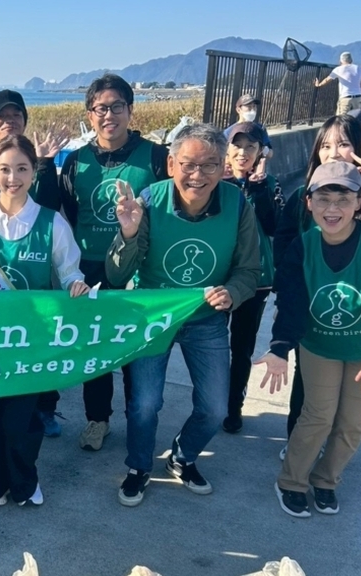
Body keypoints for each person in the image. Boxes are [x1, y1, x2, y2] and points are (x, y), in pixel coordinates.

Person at [107, 123, 260, 506]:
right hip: (155, 317)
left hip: (205, 318)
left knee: (214, 407)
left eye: (210, 165)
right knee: (144, 403)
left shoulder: (238, 204)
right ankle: (139, 466)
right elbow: (117, 274)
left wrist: (234, 292)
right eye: (189, 164)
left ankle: (183, 455)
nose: (198, 175)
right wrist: (127, 234)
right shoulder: (148, 201)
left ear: (224, 166)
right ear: (171, 164)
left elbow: (248, 270)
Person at [0, 135, 90, 507]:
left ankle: (24, 483)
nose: (13, 177)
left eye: (22, 168)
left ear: (33, 172)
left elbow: (69, 270)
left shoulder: (52, 223)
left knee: (20, 421)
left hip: (32, 342)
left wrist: (76, 286)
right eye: (5, 169)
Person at [257, 162, 361, 518]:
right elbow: (290, 301)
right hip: (318, 344)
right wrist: (280, 347)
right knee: (318, 416)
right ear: (309, 202)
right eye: (323, 198)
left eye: (343, 198)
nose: (332, 209)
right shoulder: (302, 247)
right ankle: (291, 482)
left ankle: (326, 480)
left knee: (353, 422)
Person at [271, 115, 361, 460]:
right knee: (308, 381)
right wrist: (290, 279)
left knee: (350, 391)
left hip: (358, 307)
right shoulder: (305, 194)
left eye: (343, 143)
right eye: (325, 145)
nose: (333, 153)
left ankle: (332, 443)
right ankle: (299, 440)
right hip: (310, 301)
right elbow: (284, 240)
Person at [56, 74, 168, 452]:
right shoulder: (76, 163)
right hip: (90, 270)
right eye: (101, 108)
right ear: (90, 115)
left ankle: (138, 416)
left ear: (130, 110)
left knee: (135, 350)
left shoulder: (155, 157)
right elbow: (70, 216)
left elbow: (168, 212)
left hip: (138, 269)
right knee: (96, 352)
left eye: (117, 106)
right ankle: (97, 420)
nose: (109, 115)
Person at [0, 90, 70, 436]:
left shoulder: (36, 164)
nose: (9, 122)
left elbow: (49, 212)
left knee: (37, 355)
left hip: (31, 299)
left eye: (15, 115)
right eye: (1, 117)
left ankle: (43, 409)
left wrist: (45, 163)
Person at [220, 122, 283, 434]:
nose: (242, 152)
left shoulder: (270, 185)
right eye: (237, 145)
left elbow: (274, 227)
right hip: (219, 278)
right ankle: (215, 401)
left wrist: (258, 190)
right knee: (214, 346)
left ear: (261, 152)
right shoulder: (216, 183)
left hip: (256, 281)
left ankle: (234, 406)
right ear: (226, 150)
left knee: (242, 346)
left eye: (250, 146)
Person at [223, 94, 274, 179]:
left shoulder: (260, 130)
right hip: (235, 177)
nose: (252, 111)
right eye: (249, 107)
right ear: (238, 109)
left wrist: (265, 150)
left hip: (257, 175)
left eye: (254, 107)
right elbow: (223, 156)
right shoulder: (228, 132)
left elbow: (270, 154)